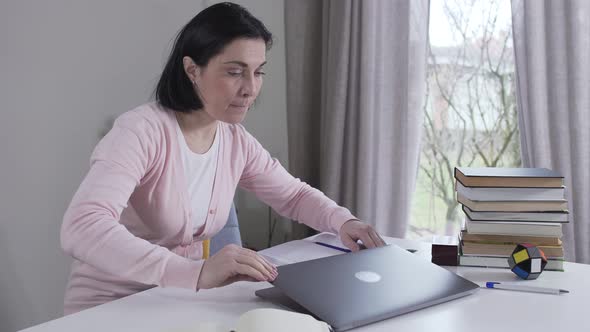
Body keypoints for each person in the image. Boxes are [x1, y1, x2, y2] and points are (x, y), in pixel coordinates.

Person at [60, 2, 386, 315]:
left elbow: (294, 195)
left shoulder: (233, 140)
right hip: (108, 308)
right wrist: (195, 273)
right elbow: (83, 226)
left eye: (258, 72)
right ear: (192, 70)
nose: (250, 88)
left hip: (174, 301)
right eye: (235, 72)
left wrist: (344, 221)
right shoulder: (140, 132)